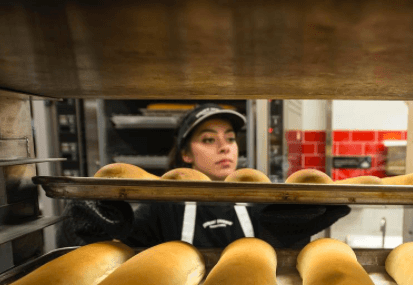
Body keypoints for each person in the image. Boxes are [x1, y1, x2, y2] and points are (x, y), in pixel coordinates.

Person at [58, 104, 350, 249]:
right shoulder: (162, 207)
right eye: (209, 140)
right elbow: (113, 249)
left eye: (231, 138)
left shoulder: (262, 202)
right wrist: (93, 221)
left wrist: (293, 235)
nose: (225, 147)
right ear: (186, 154)